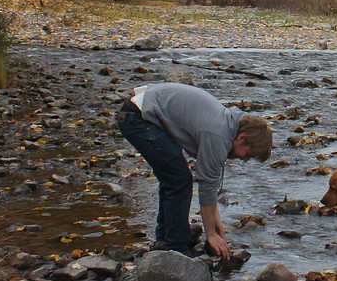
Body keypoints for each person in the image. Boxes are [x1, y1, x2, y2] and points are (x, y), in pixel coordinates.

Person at [116, 81, 273, 258]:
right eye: (248, 154)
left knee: (173, 177)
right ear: (242, 137)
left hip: (146, 111)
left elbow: (212, 185)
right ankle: (176, 246)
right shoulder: (218, 134)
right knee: (178, 179)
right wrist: (211, 235)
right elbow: (206, 185)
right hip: (137, 117)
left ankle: (166, 237)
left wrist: (216, 223)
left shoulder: (230, 126)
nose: (244, 160)